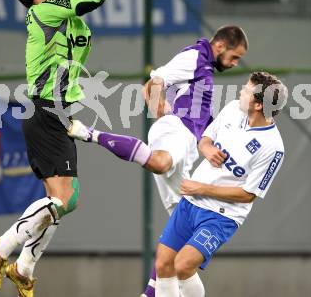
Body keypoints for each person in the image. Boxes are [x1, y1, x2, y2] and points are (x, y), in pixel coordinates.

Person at [0, 0, 124, 297]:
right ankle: (5, 247)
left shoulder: (62, 14)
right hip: (44, 110)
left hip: (53, 113)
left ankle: (24, 269)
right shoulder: (45, 11)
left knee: (61, 198)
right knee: (66, 200)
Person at [68, 26, 248, 296]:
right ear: (220, 46)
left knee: (181, 229)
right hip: (176, 131)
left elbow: (150, 86)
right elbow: (156, 81)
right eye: (235, 57)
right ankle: (88, 133)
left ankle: (149, 293)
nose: (235, 64)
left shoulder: (203, 67)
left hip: (186, 142)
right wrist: (159, 110)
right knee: (161, 163)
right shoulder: (195, 57)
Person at [155, 71, 288, 297]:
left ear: (258, 105)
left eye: (246, 90)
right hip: (191, 202)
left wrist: (203, 188)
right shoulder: (233, 109)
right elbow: (205, 139)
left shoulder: (273, 147)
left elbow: (248, 195)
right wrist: (206, 148)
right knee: (163, 265)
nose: (240, 92)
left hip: (221, 215)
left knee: (184, 265)